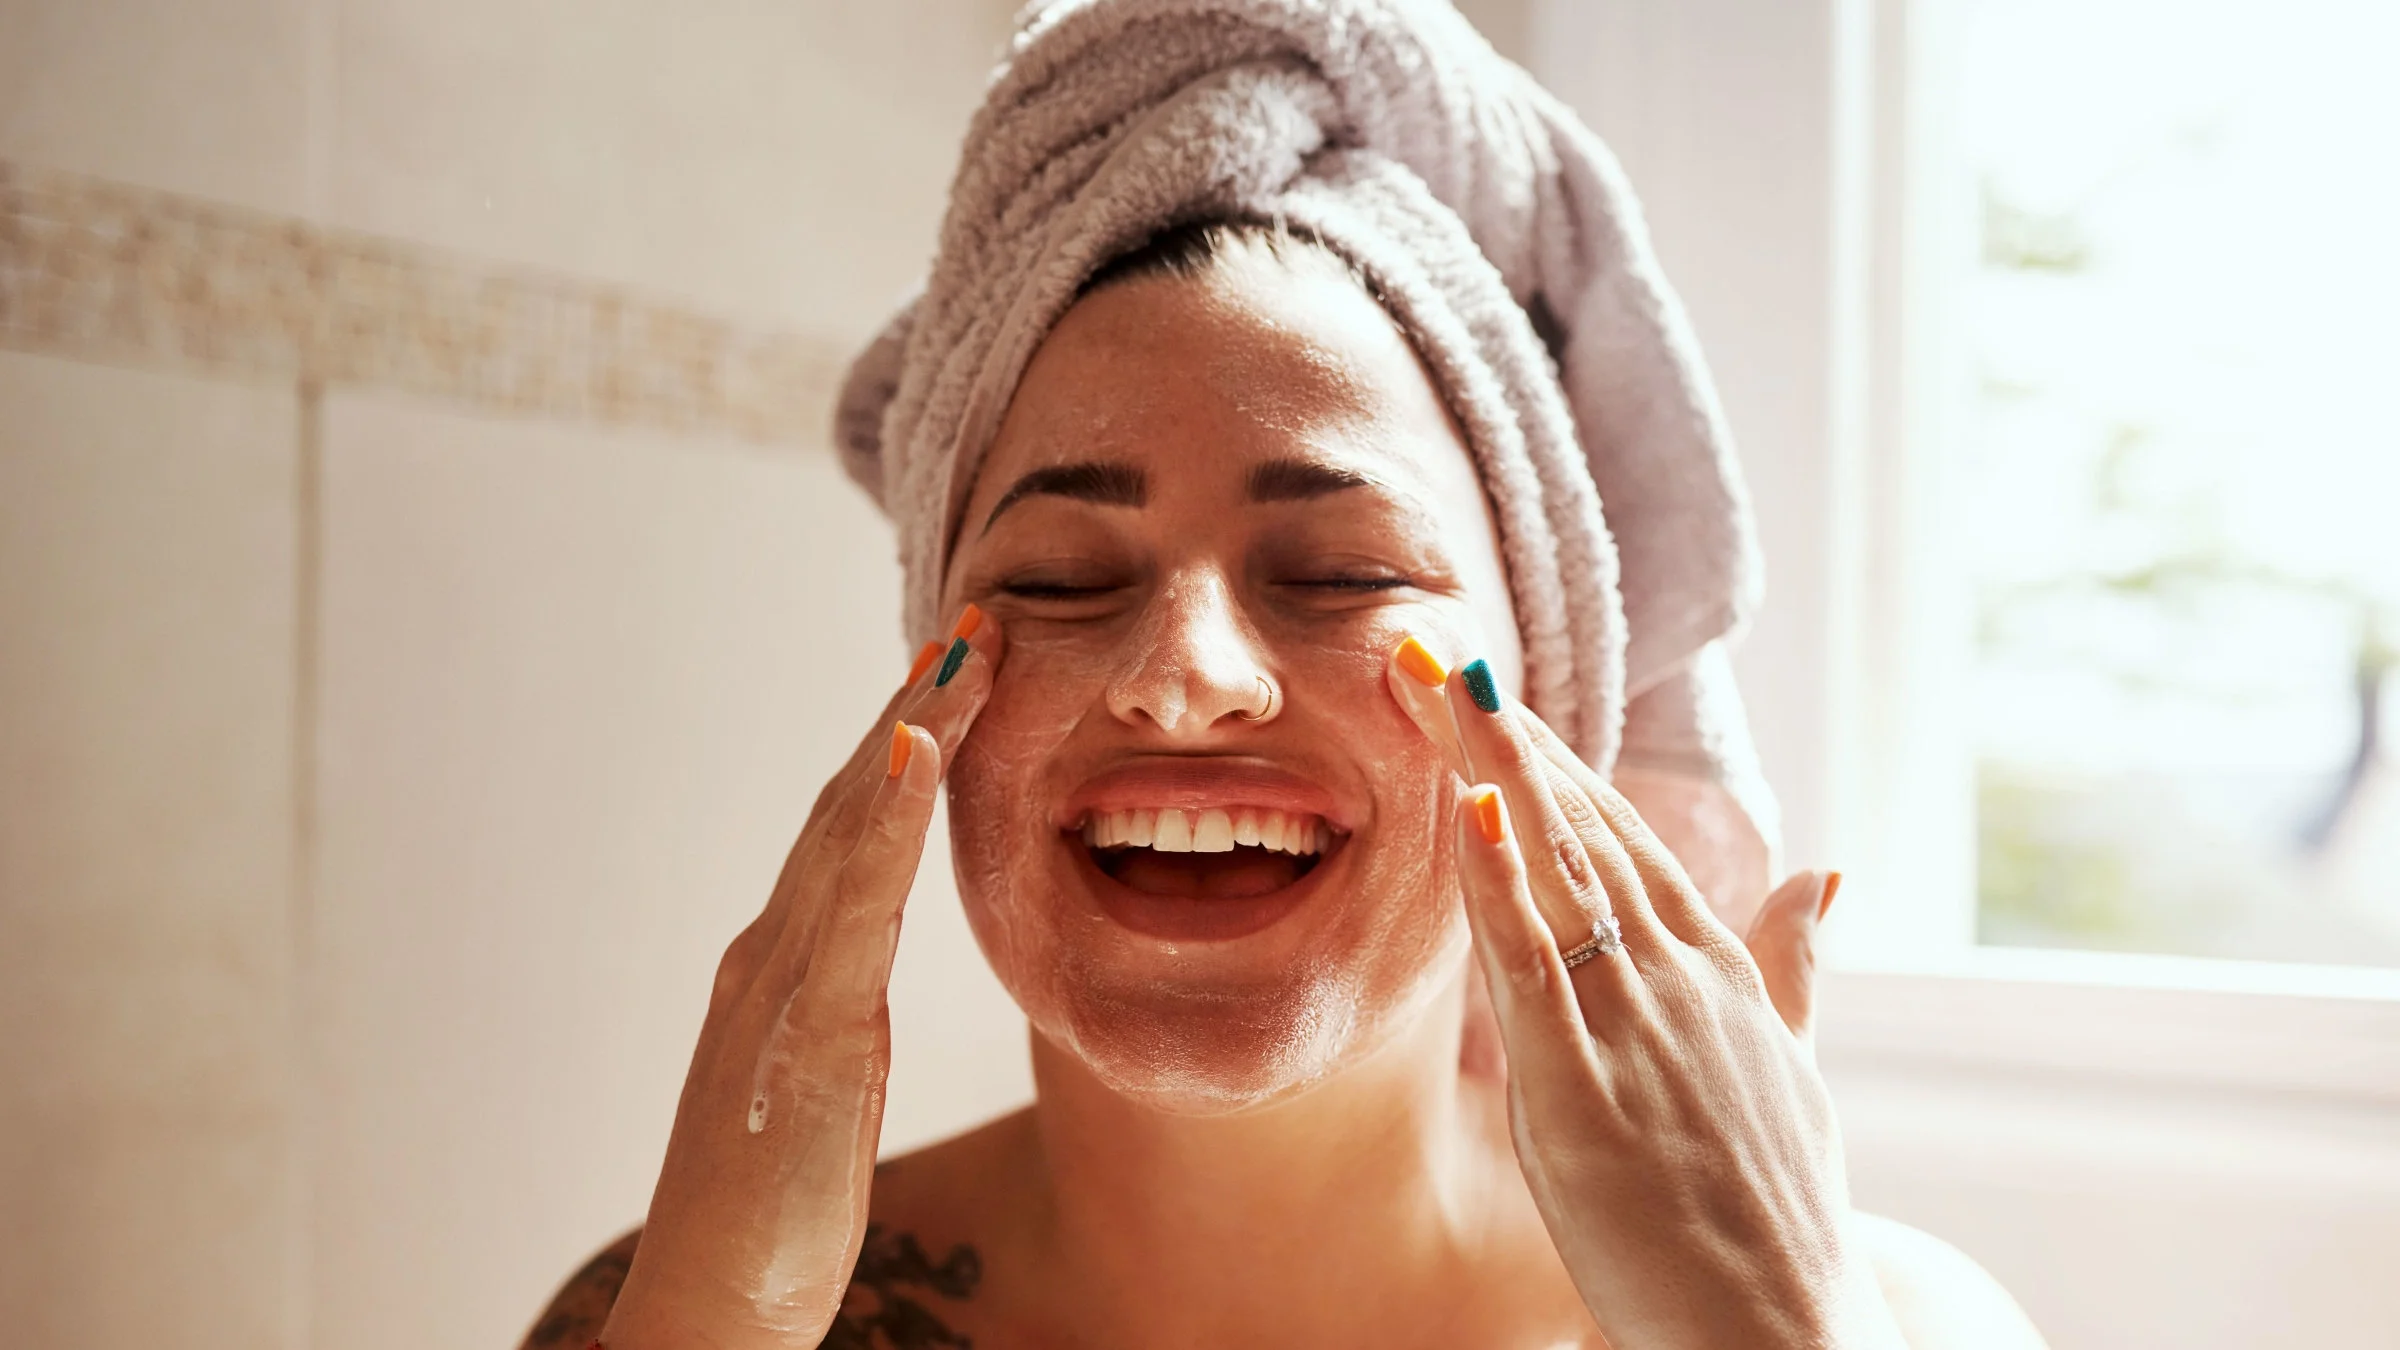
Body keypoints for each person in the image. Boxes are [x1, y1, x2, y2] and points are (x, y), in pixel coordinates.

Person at [525, 4, 2046, 1347]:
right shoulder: (672, 1315)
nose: (1183, 675)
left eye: (1342, 574)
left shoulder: (1897, 1328)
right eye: (1057, 579)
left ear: (1558, 698)